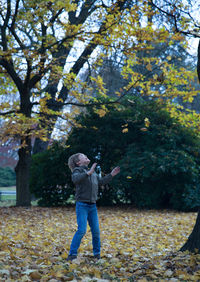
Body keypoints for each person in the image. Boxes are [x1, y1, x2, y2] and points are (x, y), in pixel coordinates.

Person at [67, 153, 120, 261]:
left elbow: (100, 182)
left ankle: (97, 254)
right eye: (83, 156)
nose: (86, 156)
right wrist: (88, 173)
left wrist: (111, 175)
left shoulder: (92, 172)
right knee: (82, 230)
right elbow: (75, 179)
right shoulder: (78, 171)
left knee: (96, 231)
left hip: (92, 206)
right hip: (82, 205)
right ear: (78, 162)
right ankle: (72, 255)